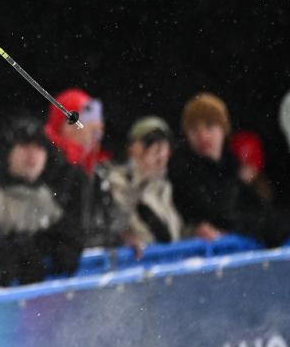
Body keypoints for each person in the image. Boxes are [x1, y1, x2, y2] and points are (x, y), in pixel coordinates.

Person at [0, 119, 85, 285]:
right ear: (8, 152)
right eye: (24, 146)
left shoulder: (44, 197)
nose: (32, 154)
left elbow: (68, 240)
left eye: (39, 147)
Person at [170, 93, 289, 246]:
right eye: (194, 129)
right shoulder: (182, 174)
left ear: (223, 129)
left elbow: (261, 214)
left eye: (209, 126)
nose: (202, 136)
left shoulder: (233, 167)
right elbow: (223, 217)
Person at [43, 88, 123, 248]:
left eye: (97, 117)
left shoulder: (96, 169)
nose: (98, 125)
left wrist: (122, 236)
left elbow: (107, 223)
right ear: (67, 125)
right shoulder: (47, 163)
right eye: (89, 117)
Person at [107, 117, 183, 247]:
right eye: (149, 142)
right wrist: (141, 178)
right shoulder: (116, 182)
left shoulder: (164, 187)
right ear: (131, 149)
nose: (159, 152)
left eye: (163, 144)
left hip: (168, 258)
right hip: (137, 258)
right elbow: (117, 224)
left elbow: (173, 234)